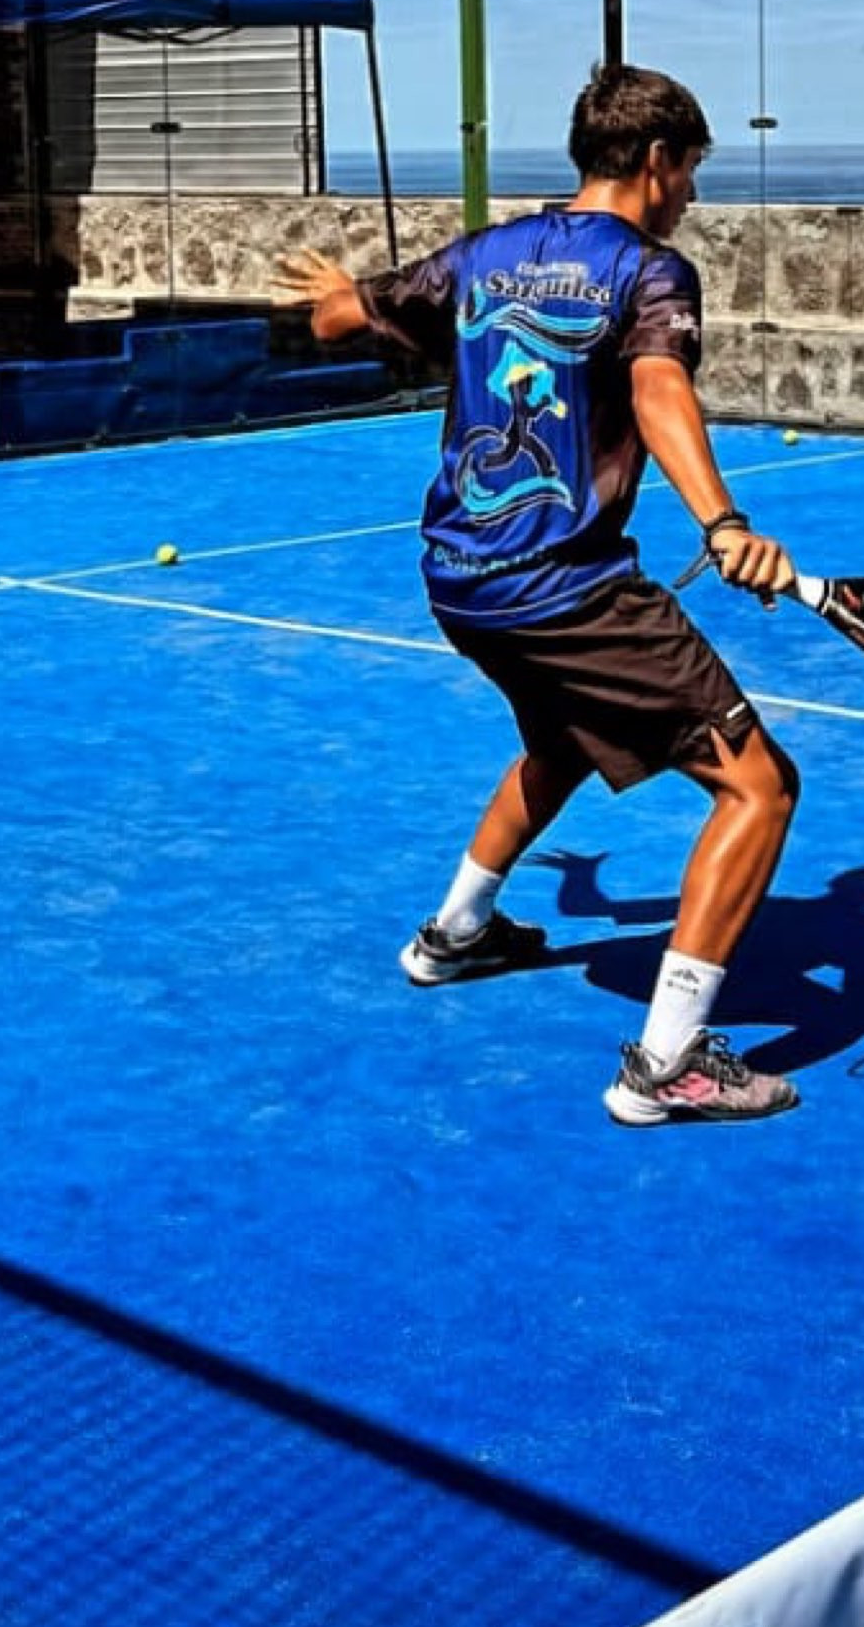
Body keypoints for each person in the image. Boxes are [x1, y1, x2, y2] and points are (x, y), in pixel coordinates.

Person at [276, 65, 804, 1130]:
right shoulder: (649, 271)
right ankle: (667, 1065)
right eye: (691, 170)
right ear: (656, 160)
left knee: (563, 741)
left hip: (460, 579)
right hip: (566, 587)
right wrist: (723, 522)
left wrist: (335, 293)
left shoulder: (482, 255)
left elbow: (339, 318)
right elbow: (658, 385)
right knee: (760, 785)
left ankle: (456, 933)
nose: (691, 193)